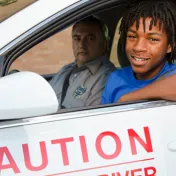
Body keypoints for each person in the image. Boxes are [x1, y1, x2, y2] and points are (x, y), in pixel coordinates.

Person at [101, 0, 176, 104]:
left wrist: (126, 99)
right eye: (132, 36)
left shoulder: (173, 74)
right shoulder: (116, 78)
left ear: (170, 46)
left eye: (153, 39)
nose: (138, 47)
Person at [50, 16, 115, 109]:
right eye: (77, 38)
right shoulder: (65, 70)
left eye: (90, 38)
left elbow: (90, 119)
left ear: (105, 43)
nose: (81, 44)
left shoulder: (107, 78)